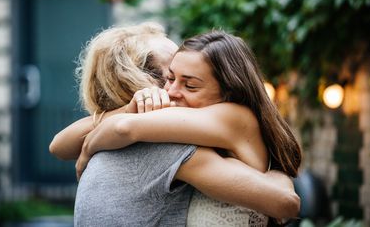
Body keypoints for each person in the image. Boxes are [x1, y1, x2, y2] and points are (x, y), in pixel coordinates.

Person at [50, 22, 300, 226]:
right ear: (146, 81)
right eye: (169, 76)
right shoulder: (166, 139)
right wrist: (127, 111)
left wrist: (88, 148)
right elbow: (60, 145)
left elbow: (120, 129)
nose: (171, 90)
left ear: (228, 90)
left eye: (189, 83)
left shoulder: (222, 119)